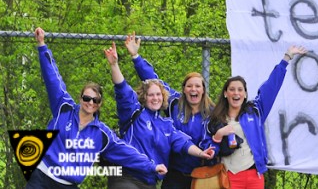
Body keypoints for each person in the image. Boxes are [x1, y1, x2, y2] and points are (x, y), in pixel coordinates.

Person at [27, 28, 167, 189]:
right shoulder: (63, 108)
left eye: (95, 100)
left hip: (68, 184)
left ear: (99, 103)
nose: (90, 102)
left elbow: (126, 152)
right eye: (86, 98)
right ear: (80, 98)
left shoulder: (102, 134)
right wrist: (42, 45)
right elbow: (52, 78)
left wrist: (152, 166)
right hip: (41, 177)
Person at [104, 42, 214, 188]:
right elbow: (123, 89)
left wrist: (201, 154)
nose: (155, 98)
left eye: (158, 95)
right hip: (127, 177)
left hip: (151, 180)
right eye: (151, 95)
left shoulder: (166, 125)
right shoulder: (135, 113)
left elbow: (182, 142)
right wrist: (116, 64)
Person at [209, 45, 307, 189]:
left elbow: (271, 88)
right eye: (232, 89)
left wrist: (287, 57)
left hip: (254, 175)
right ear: (225, 93)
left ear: (245, 94)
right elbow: (208, 147)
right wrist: (218, 135)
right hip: (228, 175)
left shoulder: (254, 111)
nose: (236, 93)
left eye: (240, 90)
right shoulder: (216, 118)